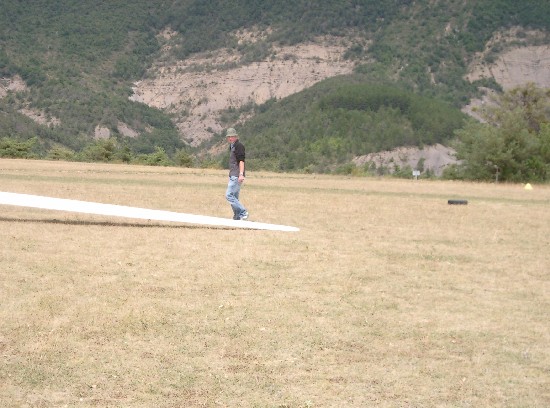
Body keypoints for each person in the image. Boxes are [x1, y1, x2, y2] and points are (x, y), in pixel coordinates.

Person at [225, 128, 248, 220]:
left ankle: (243, 212)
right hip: (233, 174)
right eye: (229, 137)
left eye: (232, 136)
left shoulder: (239, 146)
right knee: (234, 196)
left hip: (237, 175)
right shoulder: (232, 146)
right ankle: (237, 216)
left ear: (236, 137)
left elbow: (241, 161)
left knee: (229, 195)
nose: (230, 138)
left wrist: (241, 174)